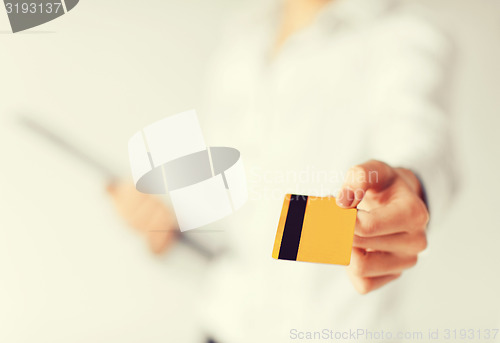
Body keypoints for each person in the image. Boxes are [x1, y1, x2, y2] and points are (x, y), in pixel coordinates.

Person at [108, 0, 456, 341]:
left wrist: (412, 184)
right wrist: (169, 233)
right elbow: (242, 224)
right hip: (221, 327)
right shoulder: (242, 36)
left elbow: (421, 143)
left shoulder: (401, 33)